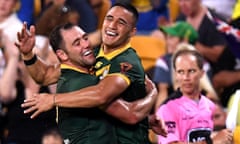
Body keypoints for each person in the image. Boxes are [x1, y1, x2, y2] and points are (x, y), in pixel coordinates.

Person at [17, 2, 167, 143]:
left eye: (85, 38)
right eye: (77, 43)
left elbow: (44, 75)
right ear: (63, 55)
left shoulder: (121, 63)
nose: (86, 45)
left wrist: (29, 56)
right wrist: (154, 92)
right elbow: (128, 113)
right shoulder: (85, 82)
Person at [156, 45, 233, 144]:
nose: (186, 77)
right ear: (175, 75)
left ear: (202, 73)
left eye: (191, 71)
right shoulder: (167, 108)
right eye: (180, 72)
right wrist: (211, 142)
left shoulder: (210, 105)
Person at [177, 0, 240, 107]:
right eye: (180, 0)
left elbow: (217, 55)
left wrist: (197, 47)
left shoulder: (214, 21)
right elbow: (219, 78)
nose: (182, 4)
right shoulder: (181, 19)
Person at [153, 21, 218, 110]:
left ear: (185, 40)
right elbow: (162, 92)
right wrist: (159, 117)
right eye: (166, 38)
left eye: (171, 38)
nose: (167, 42)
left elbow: (206, 92)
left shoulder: (203, 64)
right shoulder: (164, 61)